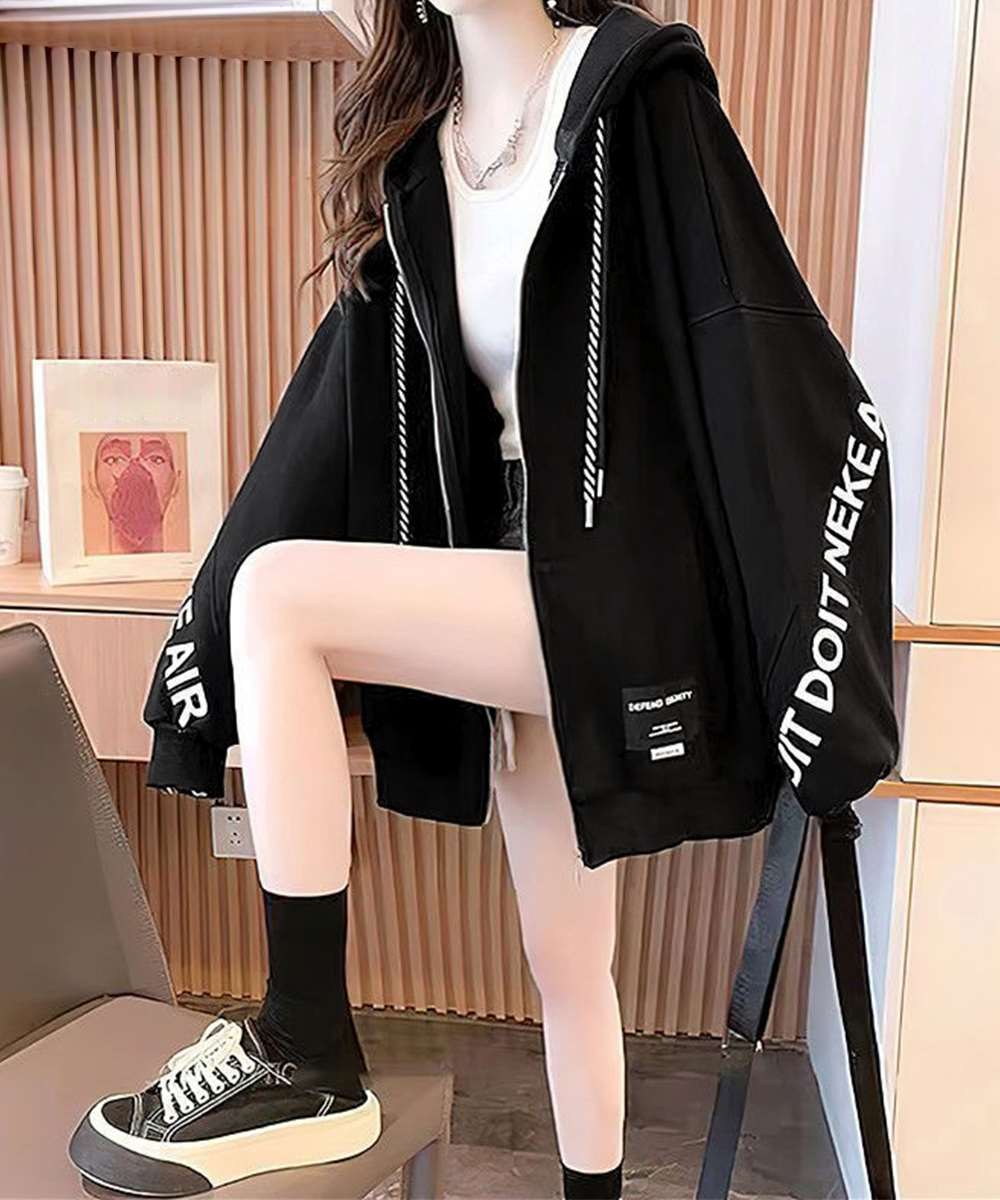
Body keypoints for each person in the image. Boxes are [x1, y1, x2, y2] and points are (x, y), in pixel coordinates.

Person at [68, 2, 899, 1198]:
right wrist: (199, 638)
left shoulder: (635, 89)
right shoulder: (424, 147)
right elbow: (328, 411)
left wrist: (822, 666)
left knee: (281, 598)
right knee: (566, 964)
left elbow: (757, 344)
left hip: (616, 585)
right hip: (503, 577)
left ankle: (305, 1044)